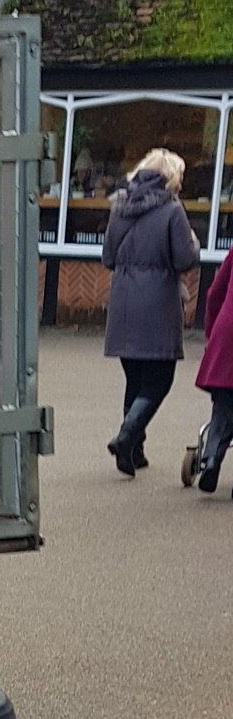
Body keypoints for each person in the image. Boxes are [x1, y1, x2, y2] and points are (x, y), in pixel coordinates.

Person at [102, 148, 200, 476]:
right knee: (159, 381)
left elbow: (108, 258)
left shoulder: (119, 207)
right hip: (158, 304)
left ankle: (132, 452)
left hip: (124, 304)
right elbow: (183, 259)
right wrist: (195, 243)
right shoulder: (173, 210)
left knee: (136, 379)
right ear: (170, 177)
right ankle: (126, 436)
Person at [194, 251, 233, 492]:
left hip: (227, 334)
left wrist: (212, 332)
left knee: (223, 405)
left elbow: (214, 293)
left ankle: (211, 458)